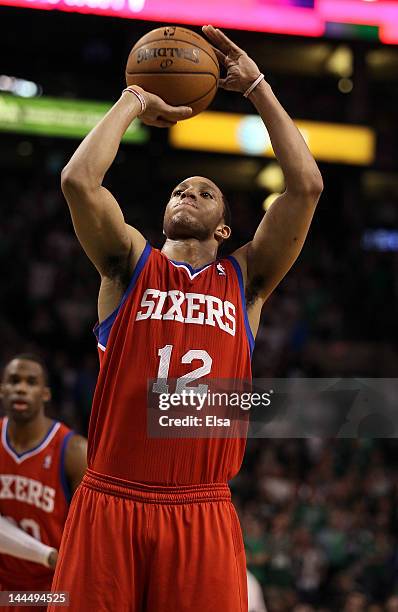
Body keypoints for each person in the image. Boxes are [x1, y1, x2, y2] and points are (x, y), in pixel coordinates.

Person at [49, 24, 323, 612]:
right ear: (164, 213)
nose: (188, 191)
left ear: (225, 228)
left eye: (204, 191)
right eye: (180, 188)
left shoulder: (245, 280)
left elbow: (305, 185)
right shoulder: (128, 263)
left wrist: (258, 87)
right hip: (110, 498)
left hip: (200, 506)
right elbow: (77, 180)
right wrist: (132, 99)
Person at [0, 354, 87, 610]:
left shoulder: (73, 452)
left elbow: (91, 534)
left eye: (31, 382)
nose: (21, 389)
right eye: (14, 381)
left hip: (55, 590)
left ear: (45, 394)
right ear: (3, 390)